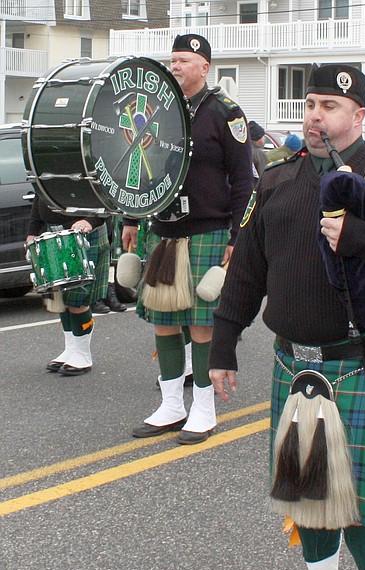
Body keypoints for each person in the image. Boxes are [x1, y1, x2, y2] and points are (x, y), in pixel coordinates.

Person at [209, 63, 365, 570]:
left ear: (359, 114)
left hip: (363, 364)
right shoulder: (278, 178)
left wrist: (360, 237)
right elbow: (249, 269)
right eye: (310, 105)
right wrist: (223, 344)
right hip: (295, 366)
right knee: (307, 499)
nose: (315, 117)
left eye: (330, 107)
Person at [122, 33, 253, 445]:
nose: (175, 66)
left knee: (200, 324)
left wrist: (238, 234)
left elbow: (244, 181)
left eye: (183, 60)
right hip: (163, 230)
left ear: (204, 67)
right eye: (173, 60)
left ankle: (203, 409)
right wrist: (129, 216)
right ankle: (171, 405)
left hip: (208, 229)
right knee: (163, 323)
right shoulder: (157, 109)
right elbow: (137, 162)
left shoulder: (224, 112)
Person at [27, 198, 111, 376]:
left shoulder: (87, 167)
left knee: (77, 299)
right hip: (53, 232)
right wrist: (32, 231)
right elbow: (40, 195)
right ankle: (71, 348)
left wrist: (92, 220)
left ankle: (82, 354)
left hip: (85, 231)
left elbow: (106, 196)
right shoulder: (43, 169)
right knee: (60, 298)